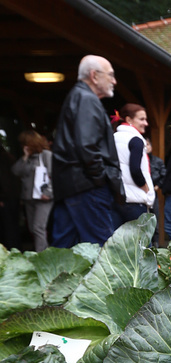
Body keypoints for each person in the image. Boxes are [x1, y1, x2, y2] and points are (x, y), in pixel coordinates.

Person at [51, 54, 123, 246]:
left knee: (63, 249)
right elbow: (87, 146)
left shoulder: (77, 96)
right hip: (87, 186)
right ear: (94, 75)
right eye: (111, 75)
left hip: (73, 185)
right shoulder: (86, 99)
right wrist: (100, 179)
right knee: (101, 249)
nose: (114, 81)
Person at [114, 104, 155, 222]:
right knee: (140, 240)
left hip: (116, 199)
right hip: (135, 200)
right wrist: (147, 189)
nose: (146, 123)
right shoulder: (136, 140)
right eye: (142, 119)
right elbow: (135, 170)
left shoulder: (113, 137)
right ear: (128, 119)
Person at [12, 131, 53, 251]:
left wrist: (48, 193)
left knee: (38, 227)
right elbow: (15, 171)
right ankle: (41, 251)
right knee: (32, 228)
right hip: (29, 198)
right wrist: (24, 157)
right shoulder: (27, 158)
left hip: (43, 198)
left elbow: (54, 176)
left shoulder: (46, 155)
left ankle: (42, 256)